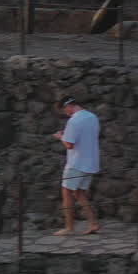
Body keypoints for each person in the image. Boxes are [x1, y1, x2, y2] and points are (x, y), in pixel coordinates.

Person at [52, 96, 101, 236]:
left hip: (76, 163)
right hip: (91, 162)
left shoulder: (74, 121)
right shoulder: (92, 117)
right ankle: (93, 223)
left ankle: (69, 227)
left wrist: (60, 136)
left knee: (66, 193)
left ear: (68, 106)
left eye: (64, 110)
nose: (65, 113)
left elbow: (69, 144)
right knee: (79, 193)